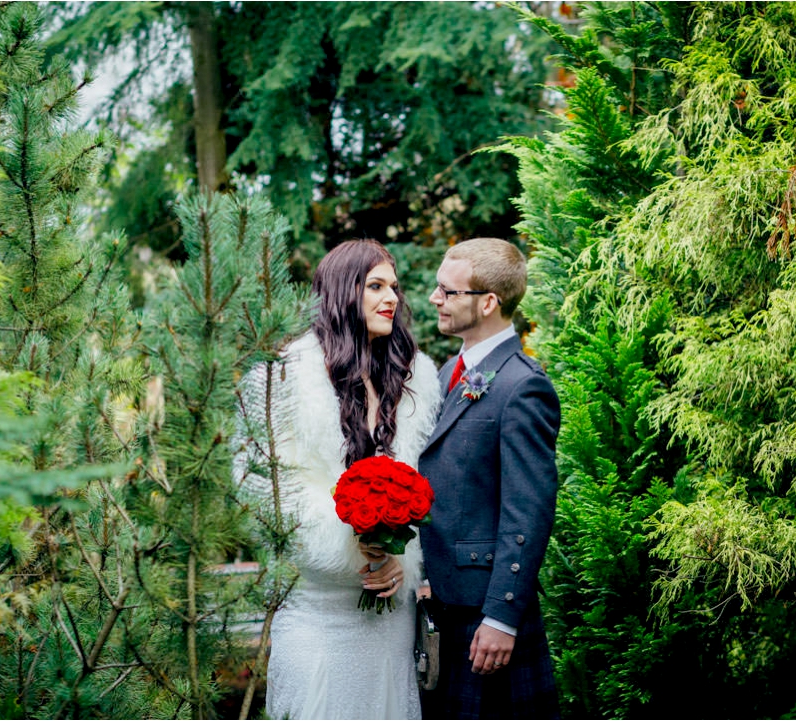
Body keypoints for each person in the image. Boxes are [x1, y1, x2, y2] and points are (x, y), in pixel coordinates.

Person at [235, 239, 442, 720]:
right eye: (375, 286)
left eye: (394, 287)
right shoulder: (284, 379)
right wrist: (351, 546)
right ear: (340, 291)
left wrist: (398, 559)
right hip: (317, 605)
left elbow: (425, 490)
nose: (391, 297)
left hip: (390, 613)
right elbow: (261, 487)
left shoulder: (414, 380)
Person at [417, 237, 561, 719]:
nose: (434, 299)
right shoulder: (444, 374)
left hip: (486, 615)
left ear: (487, 303)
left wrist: (502, 614)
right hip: (442, 606)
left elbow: (529, 507)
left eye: (447, 291)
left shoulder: (523, 386)